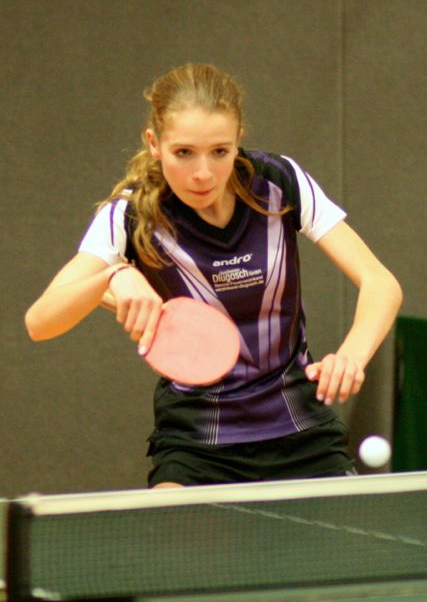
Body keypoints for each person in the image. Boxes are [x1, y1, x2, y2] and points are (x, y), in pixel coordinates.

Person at [25, 63, 402, 489]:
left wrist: (351, 356)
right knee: (169, 532)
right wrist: (112, 275)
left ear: (238, 139)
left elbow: (380, 282)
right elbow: (40, 322)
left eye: (220, 151)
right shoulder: (129, 216)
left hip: (300, 429)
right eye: (184, 152)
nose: (203, 173)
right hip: (196, 442)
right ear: (154, 144)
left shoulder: (279, 183)